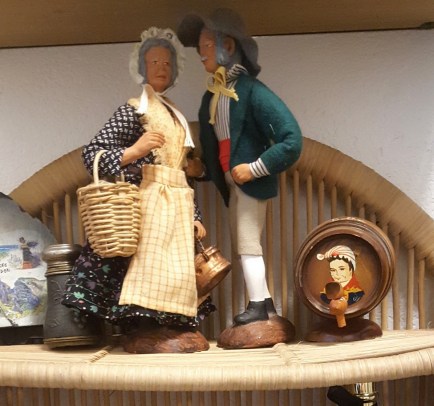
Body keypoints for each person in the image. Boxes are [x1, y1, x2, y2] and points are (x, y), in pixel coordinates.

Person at [62, 27, 214, 350]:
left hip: (176, 204)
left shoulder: (177, 118)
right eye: (154, 61)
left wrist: (196, 215)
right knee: (145, 266)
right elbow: (92, 154)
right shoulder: (134, 110)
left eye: (167, 63)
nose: (161, 67)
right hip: (145, 203)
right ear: (142, 67)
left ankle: (168, 325)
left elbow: (183, 174)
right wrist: (134, 150)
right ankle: (143, 327)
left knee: (174, 269)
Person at [177, 9, 302, 325]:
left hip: (249, 184)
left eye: (206, 46)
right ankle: (266, 304)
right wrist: (202, 171)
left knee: (247, 244)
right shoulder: (211, 98)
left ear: (228, 46)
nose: (201, 54)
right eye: (200, 48)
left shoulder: (252, 91)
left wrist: (256, 168)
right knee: (243, 242)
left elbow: (291, 140)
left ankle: (257, 305)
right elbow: (218, 150)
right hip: (233, 184)